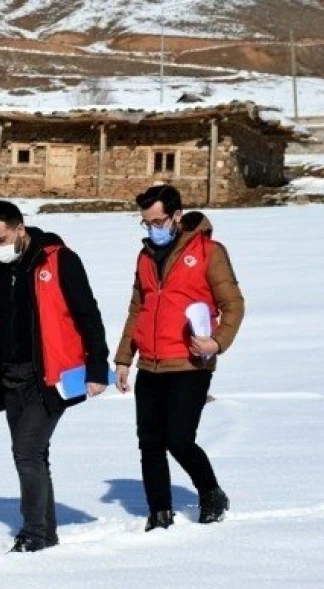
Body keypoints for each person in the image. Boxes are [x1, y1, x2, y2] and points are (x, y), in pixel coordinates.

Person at [0, 201, 110, 552]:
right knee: (36, 454)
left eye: (1, 239)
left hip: (48, 377)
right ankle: (46, 533)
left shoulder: (60, 260)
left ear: (21, 228)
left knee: (26, 452)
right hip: (8, 377)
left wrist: (97, 368)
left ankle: (32, 533)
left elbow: (88, 314)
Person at [114, 184, 245, 532]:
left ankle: (211, 493)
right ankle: (159, 512)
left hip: (190, 362)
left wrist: (217, 342)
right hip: (151, 364)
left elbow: (233, 304)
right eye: (147, 223)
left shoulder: (208, 252)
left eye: (158, 220)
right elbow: (137, 308)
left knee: (179, 438)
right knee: (150, 442)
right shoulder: (144, 257)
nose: (153, 228)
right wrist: (124, 358)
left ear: (176, 216)